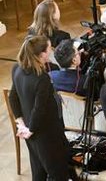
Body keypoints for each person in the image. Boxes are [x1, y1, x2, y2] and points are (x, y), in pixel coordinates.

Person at [9, 36, 73, 180]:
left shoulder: (17, 68)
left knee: (38, 171)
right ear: (42, 54)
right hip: (47, 134)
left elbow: (12, 97)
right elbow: (40, 110)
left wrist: (22, 125)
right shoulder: (41, 79)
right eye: (49, 48)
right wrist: (30, 129)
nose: (51, 51)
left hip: (30, 133)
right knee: (58, 173)